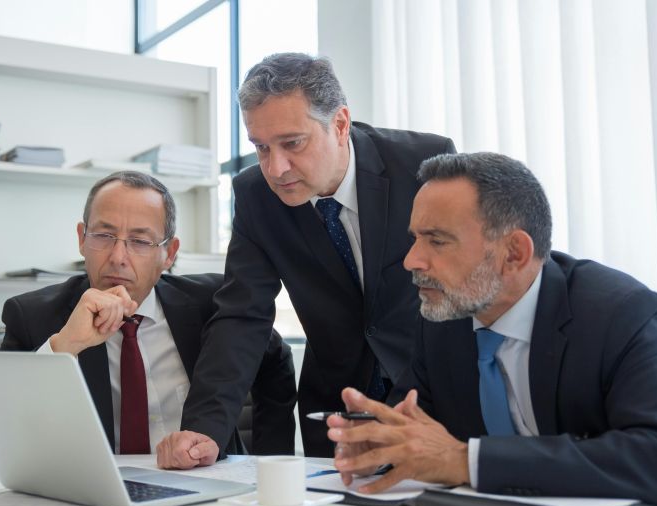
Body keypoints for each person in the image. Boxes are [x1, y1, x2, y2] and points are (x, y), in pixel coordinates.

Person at [326, 152, 657, 505]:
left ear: (514, 253)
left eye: (437, 241)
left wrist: (464, 460)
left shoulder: (618, 313)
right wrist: (375, 446)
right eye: (415, 238)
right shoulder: (443, 319)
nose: (411, 260)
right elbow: (412, 429)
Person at [180, 53, 457, 457]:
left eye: (292, 143)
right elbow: (241, 316)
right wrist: (204, 430)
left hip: (434, 400)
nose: (276, 168)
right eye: (261, 147)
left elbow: (467, 284)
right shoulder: (256, 196)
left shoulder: (422, 164)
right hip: (335, 413)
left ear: (340, 124)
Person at [0, 171, 296, 467]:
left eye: (140, 242)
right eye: (103, 236)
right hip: (98, 498)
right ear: (82, 239)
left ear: (169, 254)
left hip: (204, 490)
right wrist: (64, 346)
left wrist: (264, 464)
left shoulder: (212, 304)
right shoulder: (37, 316)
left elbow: (276, 363)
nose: (118, 257)